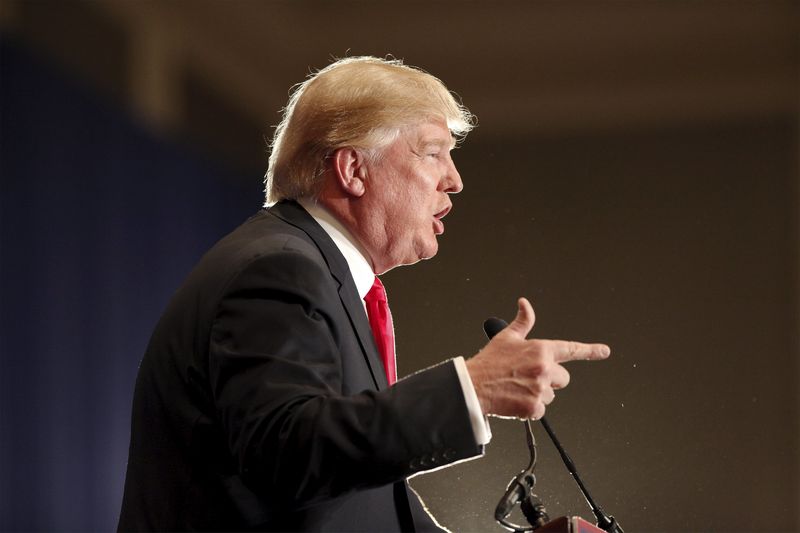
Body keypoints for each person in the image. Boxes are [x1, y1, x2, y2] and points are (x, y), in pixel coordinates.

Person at [117, 56, 610, 532]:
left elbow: (359, 508)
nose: (454, 180)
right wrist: (472, 390)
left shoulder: (323, 278)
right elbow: (288, 451)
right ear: (353, 170)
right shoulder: (278, 268)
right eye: (433, 152)